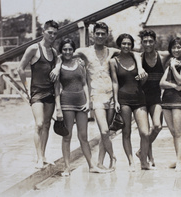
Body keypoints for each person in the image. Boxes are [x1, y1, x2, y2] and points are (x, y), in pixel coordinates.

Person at [50, 22, 147, 170]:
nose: (100, 36)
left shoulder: (112, 51)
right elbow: (64, 54)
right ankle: (113, 157)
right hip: (95, 95)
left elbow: (134, 53)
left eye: (103, 34)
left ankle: (101, 161)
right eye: (98, 33)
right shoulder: (85, 52)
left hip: (111, 95)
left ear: (107, 35)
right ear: (93, 35)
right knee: (104, 131)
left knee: (106, 132)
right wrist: (57, 67)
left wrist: (140, 67)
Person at [55, 38, 109, 176]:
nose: (68, 52)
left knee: (83, 136)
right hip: (66, 102)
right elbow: (56, 89)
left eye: (70, 49)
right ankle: (67, 168)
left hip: (81, 103)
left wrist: (87, 101)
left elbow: (85, 83)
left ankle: (91, 166)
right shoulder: (58, 66)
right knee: (67, 136)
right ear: (61, 50)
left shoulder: (80, 64)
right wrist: (58, 109)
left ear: (74, 50)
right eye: (65, 49)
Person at [109, 33, 154, 171]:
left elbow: (142, 81)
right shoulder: (114, 61)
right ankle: (130, 162)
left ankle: (144, 161)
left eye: (129, 44)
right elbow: (115, 82)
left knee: (145, 133)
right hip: (123, 100)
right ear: (119, 44)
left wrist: (144, 76)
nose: (126, 46)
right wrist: (116, 101)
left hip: (139, 97)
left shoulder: (137, 58)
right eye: (124, 43)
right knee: (126, 132)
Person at [18, 20, 59, 169]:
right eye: (50, 32)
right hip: (36, 92)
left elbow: (60, 63)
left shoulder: (54, 52)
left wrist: (57, 68)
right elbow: (20, 69)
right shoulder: (34, 49)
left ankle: (43, 156)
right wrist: (26, 88)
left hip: (50, 92)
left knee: (47, 125)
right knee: (39, 124)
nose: (52, 36)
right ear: (43, 32)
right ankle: (38, 158)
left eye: (55, 33)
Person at [135, 30, 169, 167]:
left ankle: (141, 151)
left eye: (150, 41)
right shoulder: (139, 57)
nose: (148, 44)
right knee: (145, 130)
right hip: (141, 98)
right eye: (145, 41)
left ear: (155, 42)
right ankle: (148, 156)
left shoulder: (162, 55)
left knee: (157, 126)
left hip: (156, 97)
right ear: (142, 43)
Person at [160, 37, 181, 172]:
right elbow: (161, 83)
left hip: (178, 100)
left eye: (178, 47)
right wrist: (172, 85)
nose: (176, 50)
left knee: (178, 132)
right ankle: (179, 159)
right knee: (173, 132)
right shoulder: (169, 62)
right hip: (166, 99)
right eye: (174, 47)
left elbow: (180, 79)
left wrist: (172, 67)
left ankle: (179, 161)